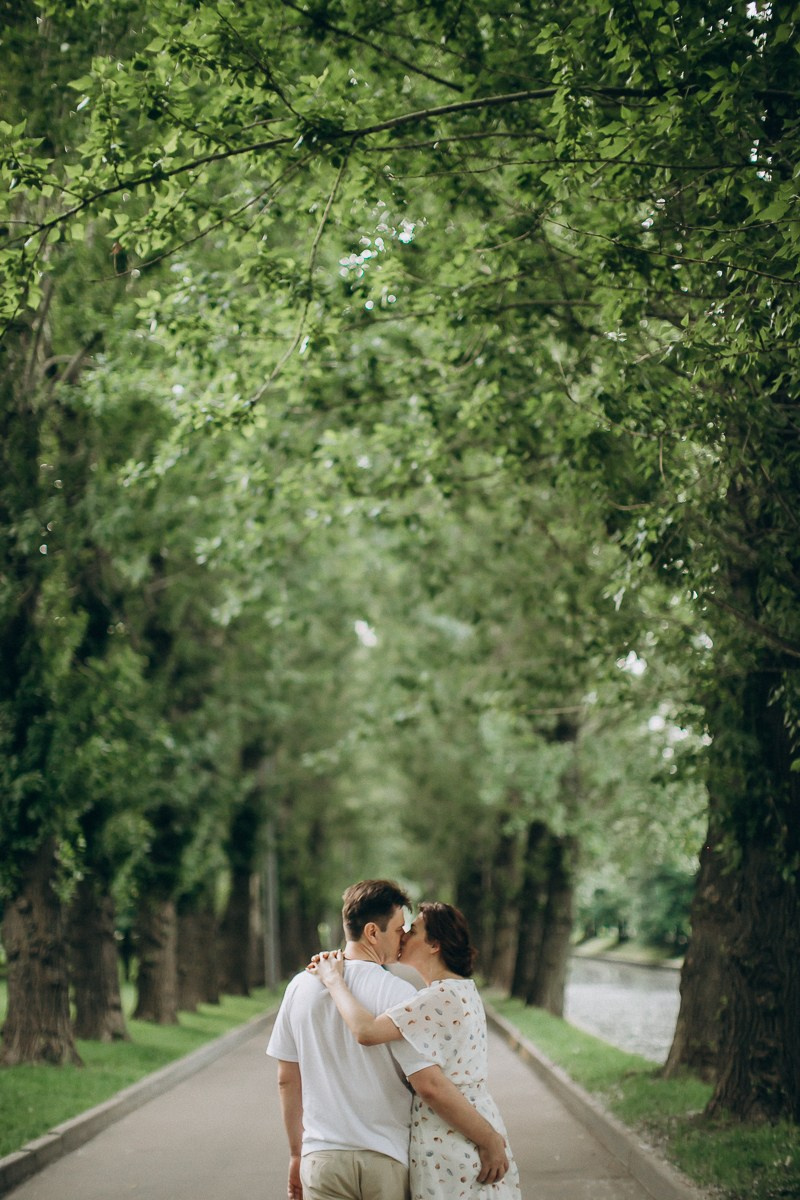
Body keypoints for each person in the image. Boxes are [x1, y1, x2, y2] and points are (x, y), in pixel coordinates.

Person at [267, 880, 509, 1200]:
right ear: (371, 932)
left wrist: (296, 1155)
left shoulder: (301, 986)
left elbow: (287, 1080)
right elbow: (427, 1083)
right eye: (398, 929)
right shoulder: (400, 994)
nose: (402, 937)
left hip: (322, 1157)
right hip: (386, 1157)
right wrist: (489, 1138)